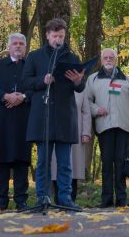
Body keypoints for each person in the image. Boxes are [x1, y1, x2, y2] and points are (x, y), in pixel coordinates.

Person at [22, 18, 85, 210]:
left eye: (62, 36)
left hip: (65, 116)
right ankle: (43, 197)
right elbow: (26, 82)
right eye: (55, 36)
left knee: (65, 163)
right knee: (43, 162)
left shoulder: (72, 58)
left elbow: (81, 87)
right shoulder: (35, 57)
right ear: (47, 35)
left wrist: (77, 81)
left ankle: (65, 198)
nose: (58, 39)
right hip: (43, 115)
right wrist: (43, 80)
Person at [0, 33, 31, 211]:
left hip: (23, 120)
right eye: (15, 44)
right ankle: (1, 201)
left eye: (21, 44)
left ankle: (21, 200)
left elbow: (35, 88)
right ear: (9, 47)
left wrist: (23, 97)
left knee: (21, 161)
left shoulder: (30, 67)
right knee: (2, 161)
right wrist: (5, 96)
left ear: (25, 47)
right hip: (3, 120)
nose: (18, 46)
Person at [86, 48, 129, 208]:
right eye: (105, 58)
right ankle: (106, 198)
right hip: (104, 127)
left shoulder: (126, 80)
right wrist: (96, 110)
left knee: (121, 164)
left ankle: (122, 199)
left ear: (116, 60)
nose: (108, 60)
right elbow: (86, 102)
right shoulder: (93, 79)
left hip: (123, 128)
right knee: (107, 164)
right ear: (101, 60)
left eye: (111, 58)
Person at [51, 90, 92, 204]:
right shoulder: (55, 86)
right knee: (56, 167)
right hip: (56, 132)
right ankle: (58, 200)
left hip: (76, 132)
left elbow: (86, 112)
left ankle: (71, 199)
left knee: (74, 166)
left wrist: (86, 132)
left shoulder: (81, 89)